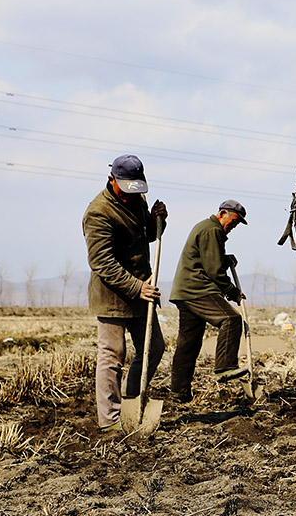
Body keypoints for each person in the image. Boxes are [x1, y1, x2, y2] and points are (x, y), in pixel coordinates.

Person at [82, 154, 168, 432]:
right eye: (127, 189)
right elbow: (101, 263)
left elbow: (148, 237)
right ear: (112, 180)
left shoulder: (137, 200)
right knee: (112, 354)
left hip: (143, 291)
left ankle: (131, 400)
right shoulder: (98, 213)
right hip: (113, 295)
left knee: (153, 348)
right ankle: (109, 421)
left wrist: (158, 221)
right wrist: (136, 287)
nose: (132, 195)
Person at [168, 200, 250, 402]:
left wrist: (224, 258)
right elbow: (214, 271)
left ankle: (179, 392)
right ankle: (225, 366)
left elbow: (207, 258)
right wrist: (233, 292)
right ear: (222, 213)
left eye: (237, 224)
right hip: (198, 290)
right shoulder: (212, 230)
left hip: (185, 291)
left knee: (188, 344)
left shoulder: (208, 229)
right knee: (231, 319)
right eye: (233, 221)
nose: (234, 226)